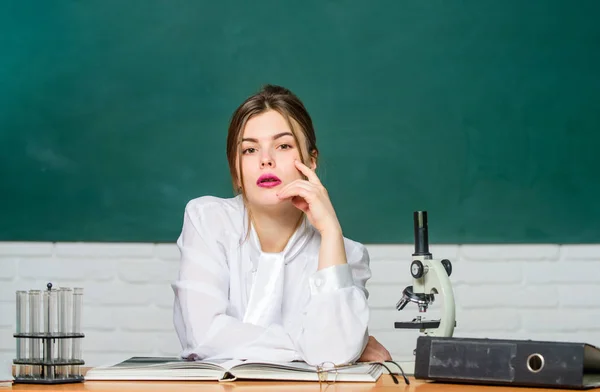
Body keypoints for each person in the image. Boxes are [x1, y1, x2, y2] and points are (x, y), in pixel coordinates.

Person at [172, 84, 391, 366]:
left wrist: (331, 232)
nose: (266, 160)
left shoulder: (347, 254)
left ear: (311, 163)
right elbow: (202, 337)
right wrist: (313, 349)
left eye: (283, 146)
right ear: (236, 172)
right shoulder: (207, 219)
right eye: (249, 150)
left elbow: (334, 353)